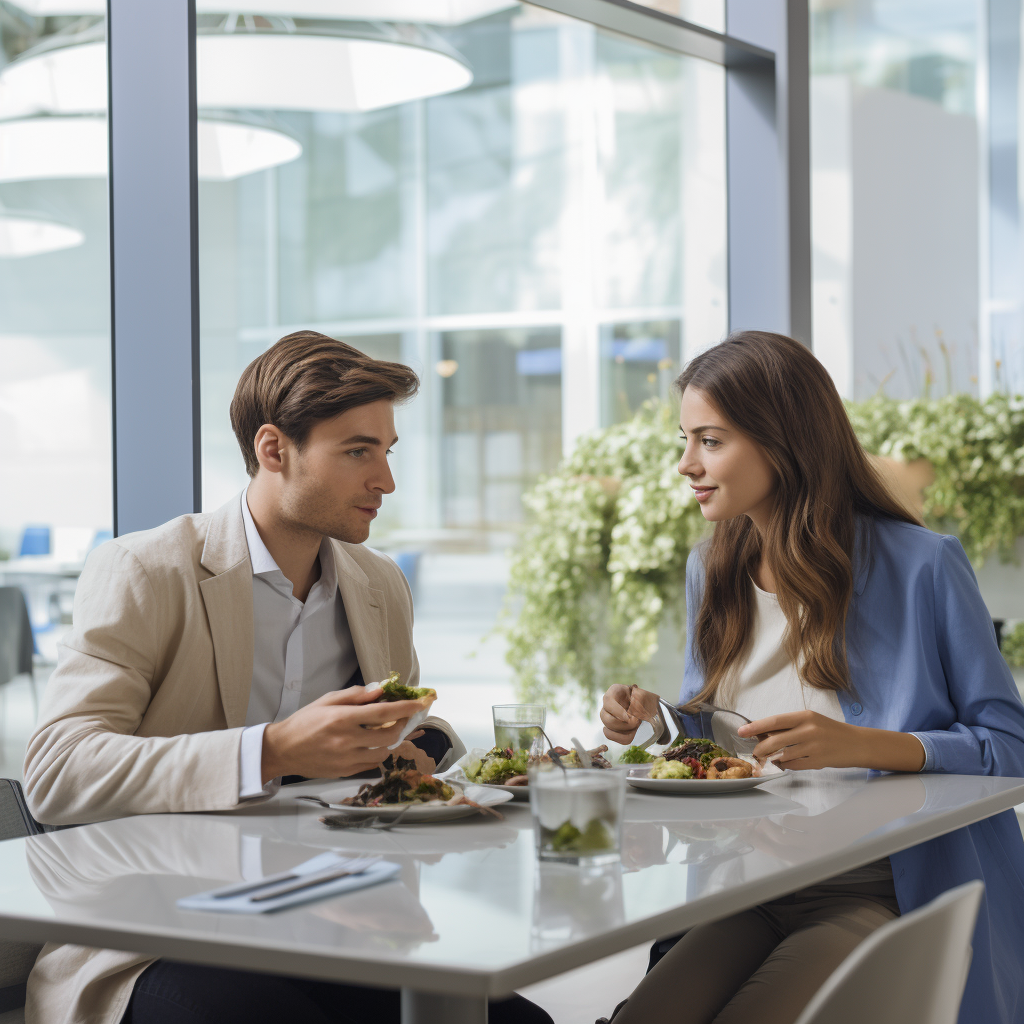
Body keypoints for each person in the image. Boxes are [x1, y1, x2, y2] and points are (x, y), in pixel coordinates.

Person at [22, 331, 552, 1024]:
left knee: (515, 1022)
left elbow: (406, 733)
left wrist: (419, 746)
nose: (386, 482)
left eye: (387, 453)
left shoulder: (378, 583)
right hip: (165, 933)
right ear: (274, 449)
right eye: (358, 452)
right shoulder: (148, 571)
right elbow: (56, 773)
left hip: (339, 919)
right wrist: (271, 751)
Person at [598, 331, 1024, 1024]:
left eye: (710, 440)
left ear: (782, 439)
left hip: (879, 885)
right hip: (749, 880)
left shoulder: (923, 565)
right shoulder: (711, 569)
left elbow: (1010, 746)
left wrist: (860, 744)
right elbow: (727, 736)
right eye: (687, 440)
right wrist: (660, 720)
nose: (686, 464)